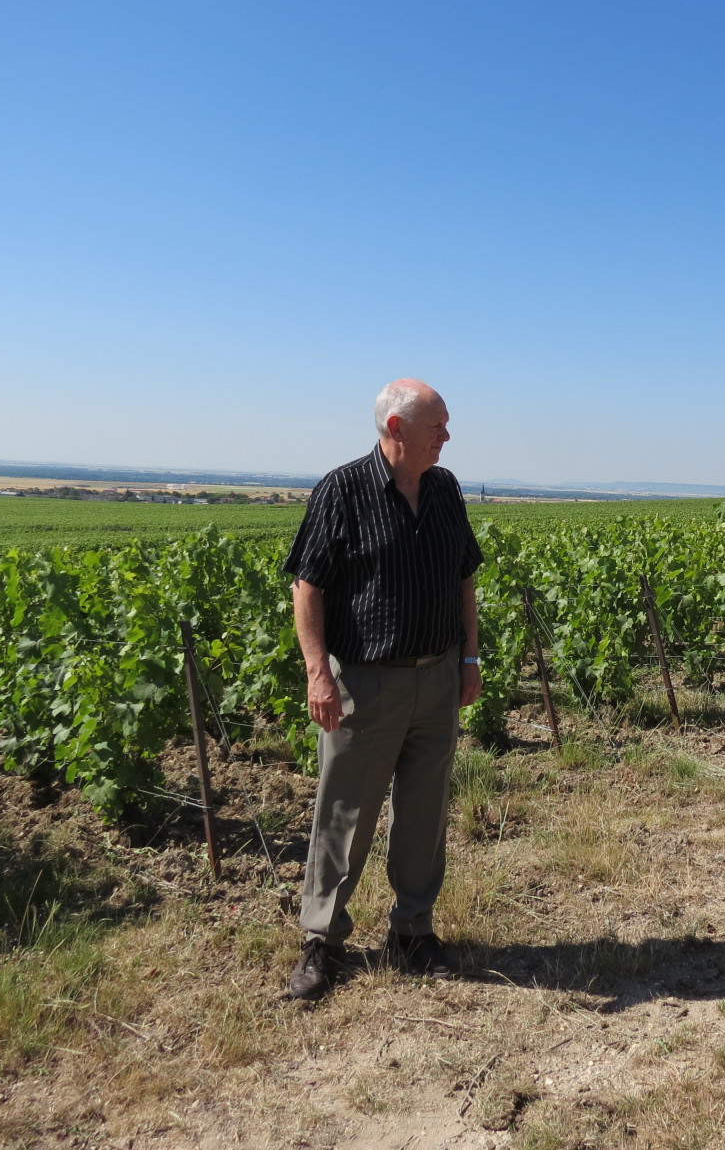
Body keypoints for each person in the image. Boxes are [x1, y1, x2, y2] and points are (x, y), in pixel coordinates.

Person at [283, 379, 483, 999]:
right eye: (437, 426)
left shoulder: (446, 490)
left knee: (424, 813)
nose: (447, 437)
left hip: (438, 675)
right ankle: (322, 940)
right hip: (366, 682)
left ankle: (412, 931)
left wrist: (469, 657)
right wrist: (318, 671)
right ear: (396, 428)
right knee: (345, 812)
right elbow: (307, 587)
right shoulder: (341, 489)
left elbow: (463, 578)